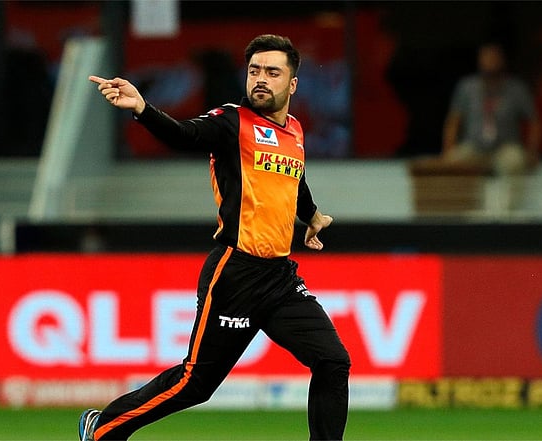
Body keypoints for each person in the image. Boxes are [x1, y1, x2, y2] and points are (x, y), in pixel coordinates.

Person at [79, 35, 350, 441]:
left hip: (279, 278)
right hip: (235, 274)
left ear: (292, 84)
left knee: (332, 361)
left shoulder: (294, 130)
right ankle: (103, 427)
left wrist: (312, 216)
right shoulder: (230, 121)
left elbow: (294, 179)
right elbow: (183, 135)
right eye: (255, 70)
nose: (261, 79)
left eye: (272, 72)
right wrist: (142, 109)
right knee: (196, 384)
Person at [442, 42, 542, 175]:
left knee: (514, 162)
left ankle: (506, 197)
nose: (490, 62)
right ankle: (465, 196)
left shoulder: (516, 89)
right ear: (479, 60)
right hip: (474, 146)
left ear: (502, 60)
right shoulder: (467, 87)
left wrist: (532, 152)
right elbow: (454, 120)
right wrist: (447, 150)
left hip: (506, 147)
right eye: (486, 57)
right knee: (452, 162)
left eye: (494, 58)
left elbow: (534, 121)